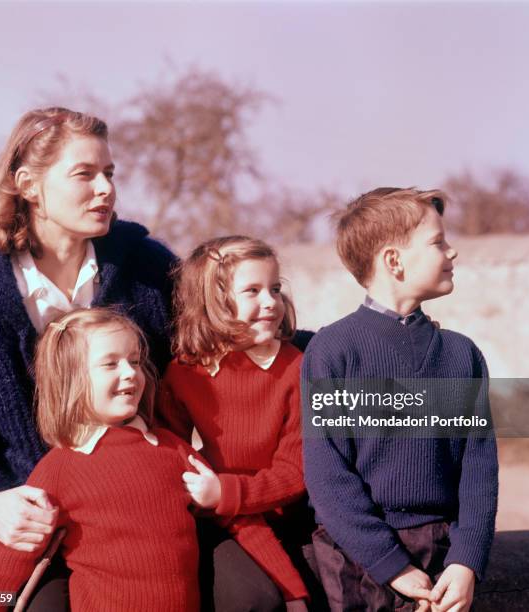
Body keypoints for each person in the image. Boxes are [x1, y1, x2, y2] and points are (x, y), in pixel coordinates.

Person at [0, 107, 176, 609]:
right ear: (28, 185)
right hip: (29, 517)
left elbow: (224, 337)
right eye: (84, 174)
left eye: (109, 173)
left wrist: (352, 348)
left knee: (248, 594)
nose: (106, 189)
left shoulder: (147, 269)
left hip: (140, 508)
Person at [301, 188, 498, 612]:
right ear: (394, 261)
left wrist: (466, 561)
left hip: (445, 562)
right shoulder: (334, 350)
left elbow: (479, 470)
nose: (453, 251)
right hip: (359, 560)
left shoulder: (461, 355)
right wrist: (390, 565)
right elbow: (328, 475)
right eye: (438, 242)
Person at [0, 308, 205, 611]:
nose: (131, 372)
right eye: (110, 364)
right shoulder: (59, 469)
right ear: (71, 380)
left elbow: (225, 503)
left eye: (134, 361)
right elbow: (0, 572)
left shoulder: (171, 448)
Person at [158, 236, 316, 611]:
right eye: (253, 290)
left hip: (285, 512)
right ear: (214, 301)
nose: (270, 302)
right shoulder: (184, 373)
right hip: (220, 517)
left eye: (275, 289)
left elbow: (296, 473)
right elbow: (174, 459)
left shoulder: (298, 368)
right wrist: (215, 493)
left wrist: (226, 493)